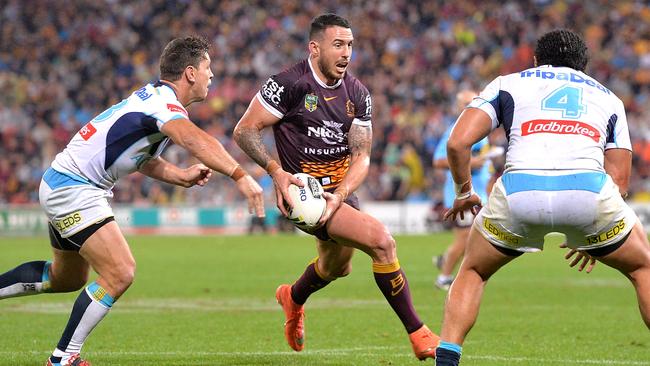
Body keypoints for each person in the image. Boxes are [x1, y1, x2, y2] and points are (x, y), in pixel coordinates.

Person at [0, 36, 265, 366]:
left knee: (65, 278)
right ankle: (62, 359)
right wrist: (240, 175)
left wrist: (180, 176)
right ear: (190, 73)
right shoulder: (163, 105)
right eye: (208, 67)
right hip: (75, 189)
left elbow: (140, 159)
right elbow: (194, 139)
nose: (213, 75)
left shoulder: (154, 99)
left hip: (64, 183)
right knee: (120, 272)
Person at [436, 29, 650, 366]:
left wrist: (464, 192)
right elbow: (619, 180)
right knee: (643, 268)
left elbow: (457, 143)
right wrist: (591, 235)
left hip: (520, 192)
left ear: (535, 60)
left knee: (474, 271)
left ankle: (447, 360)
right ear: (584, 66)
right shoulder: (608, 97)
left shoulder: (507, 84)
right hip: (588, 192)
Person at [233, 13, 439, 361]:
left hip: (339, 194)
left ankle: (293, 297)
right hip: (303, 195)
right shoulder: (288, 84)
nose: (346, 53)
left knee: (336, 268)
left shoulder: (357, 93)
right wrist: (276, 172)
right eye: (338, 45)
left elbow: (363, 157)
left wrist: (341, 195)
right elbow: (244, 130)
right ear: (315, 48)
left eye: (351, 46)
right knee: (382, 242)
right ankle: (419, 333)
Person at [432, 90, 493, 290]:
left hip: (479, 194)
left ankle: (446, 261)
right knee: (464, 237)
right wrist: (470, 162)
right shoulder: (455, 130)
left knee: (473, 238)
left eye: (474, 102)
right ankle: (444, 276)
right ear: (458, 107)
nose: (470, 106)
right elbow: (438, 161)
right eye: (466, 103)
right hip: (462, 194)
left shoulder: (481, 130)